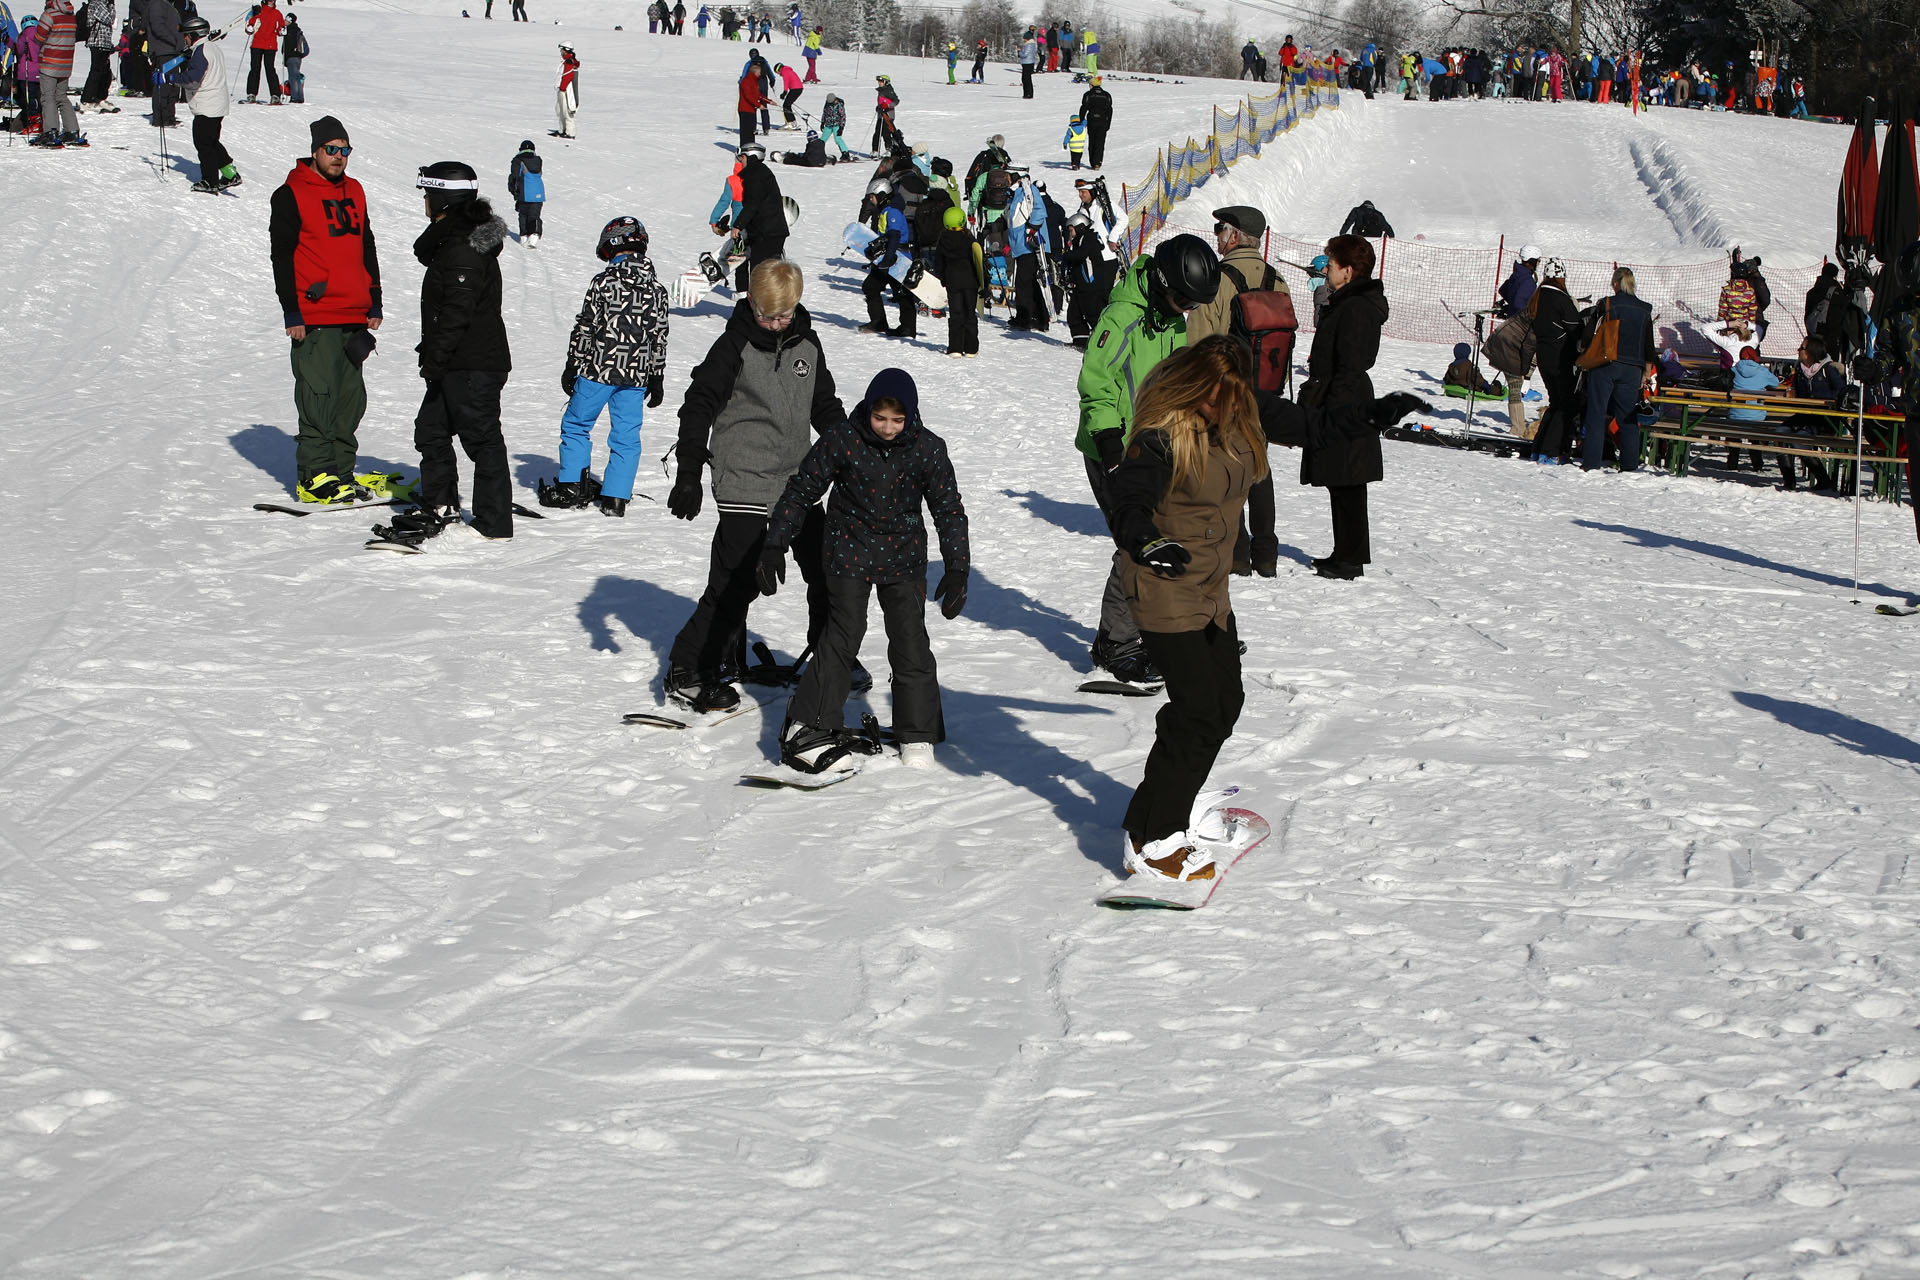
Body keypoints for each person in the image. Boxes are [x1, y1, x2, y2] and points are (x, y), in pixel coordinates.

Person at [1103, 336, 1421, 881]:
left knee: (1223, 702)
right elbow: (1129, 497)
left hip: (1209, 588)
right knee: (1198, 711)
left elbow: (1313, 426)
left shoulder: (1243, 408)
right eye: (1210, 397)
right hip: (1162, 584)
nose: (1220, 407)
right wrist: (1145, 540)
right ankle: (1157, 838)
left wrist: (1376, 413)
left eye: (1229, 397)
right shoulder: (1162, 434)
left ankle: (1152, 814)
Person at [759, 368, 969, 773]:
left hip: (903, 556)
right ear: (868, 410)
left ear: (910, 415)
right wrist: (774, 544)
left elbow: (948, 509)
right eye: (880, 418)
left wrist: (958, 567)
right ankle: (810, 722)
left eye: (897, 420)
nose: (888, 428)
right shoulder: (843, 439)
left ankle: (918, 732)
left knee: (910, 641)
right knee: (842, 634)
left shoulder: (928, 449)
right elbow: (802, 489)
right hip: (847, 551)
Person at [666, 260, 845, 710]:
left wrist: (850, 454)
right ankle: (690, 668)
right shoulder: (734, 345)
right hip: (744, 477)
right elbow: (699, 404)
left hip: (796, 482)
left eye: (783, 315)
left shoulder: (808, 344)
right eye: (767, 315)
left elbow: (824, 405)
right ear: (751, 303)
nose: (775, 323)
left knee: (825, 571)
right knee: (735, 582)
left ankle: (830, 656)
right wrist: (689, 469)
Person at [1076, 233, 1220, 685]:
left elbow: (1176, 378)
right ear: (1160, 283)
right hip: (1114, 446)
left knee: (1169, 533)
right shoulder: (1123, 317)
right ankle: (1116, 643)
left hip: (1157, 444)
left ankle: (1156, 628)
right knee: (1138, 541)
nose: (1185, 310)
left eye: (1191, 304)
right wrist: (1113, 450)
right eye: (1181, 299)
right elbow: (1095, 384)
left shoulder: (1170, 315)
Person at [372, 161, 514, 547]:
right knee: (431, 430)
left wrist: (436, 356)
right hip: (459, 360)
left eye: (426, 194)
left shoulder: (463, 246)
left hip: (470, 362)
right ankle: (441, 504)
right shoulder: (458, 240)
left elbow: (457, 309)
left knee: (481, 439)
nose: (424, 201)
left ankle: (493, 522)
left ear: (440, 198)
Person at [271, 116, 388, 505]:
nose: (339, 157)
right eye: (331, 150)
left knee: (349, 400)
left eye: (345, 150)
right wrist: (292, 311)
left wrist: (374, 298)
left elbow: (365, 244)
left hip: (353, 314)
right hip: (315, 316)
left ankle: (340, 471)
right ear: (316, 151)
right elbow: (282, 256)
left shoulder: (355, 191)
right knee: (318, 398)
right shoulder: (290, 193)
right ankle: (314, 476)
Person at [540, 216, 668, 518]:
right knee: (626, 434)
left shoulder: (604, 282)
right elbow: (659, 336)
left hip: (598, 370)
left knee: (576, 424)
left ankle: (572, 486)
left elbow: (587, 325)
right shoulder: (658, 290)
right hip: (635, 376)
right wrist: (657, 374)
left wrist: (573, 363)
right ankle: (616, 497)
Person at [1185, 204, 1287, 578]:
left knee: (1227, 466)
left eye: (1219, 229)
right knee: (1260, 467)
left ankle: (1237, 552)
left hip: (1226, 390)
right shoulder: (1277, 280)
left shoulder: (1219, 279)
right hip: (1265, 388)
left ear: (1234, 234)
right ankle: (1266, 553)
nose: (1217, 236)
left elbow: (1199, 340)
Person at [1299, 234, 1388, 579]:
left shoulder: (1356, 307)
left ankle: (1350, 560)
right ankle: (1345, 551)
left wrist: (1334, 409)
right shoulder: (1349, 302)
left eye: (1331, 266)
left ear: (1348, 271)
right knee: (1342, 480)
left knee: (1349, 480)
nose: (1327, 272)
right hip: (1342, 395)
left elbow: (1350, 362)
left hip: (1346, 400)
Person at [1578, 267, 1657, 472]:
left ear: (1615, 284)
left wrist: (1585, 350)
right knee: (1628, 418)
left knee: (1596, 413)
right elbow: (1649, 345)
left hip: (1606, 363)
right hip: (1633, 369)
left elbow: (1588, 335)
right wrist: (1646, 372)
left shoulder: (1607, 304)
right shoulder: (1645, 309)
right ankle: (1630, 465)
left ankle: (1591, 463)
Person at [1526, 259, 1582, 465]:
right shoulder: (1560, 298)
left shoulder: (1539, 297)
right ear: (1561, 277)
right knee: (1565, 405)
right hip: (1560, 358)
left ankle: (1538, 448)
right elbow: (1575, 327)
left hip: (1544, 356)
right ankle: (1550, 450)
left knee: (1555, 402)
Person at [178, 13, 237, 192]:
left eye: (186, 36)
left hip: (207, 105)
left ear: (194, 35)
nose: (185, 40)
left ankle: (210, 181)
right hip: (217, 103)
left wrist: (169, 78)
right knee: (211, 141)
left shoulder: (201, 51)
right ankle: (230, 174)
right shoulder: (211, 48)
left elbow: (193, 79)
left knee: (204, 144)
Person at [858, 179, 916, 339]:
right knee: (871, 287)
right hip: (887, 257)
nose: (871, 200)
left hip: (898, 258)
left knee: (902, 294)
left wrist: (889, 259)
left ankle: (907, 328)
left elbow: (895, 235)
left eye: (872, 196)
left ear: (881, 194)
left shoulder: (892, 211)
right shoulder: (885, 210)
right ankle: (879, 322)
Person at [31, 0, 80, 146]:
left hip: (49, 62)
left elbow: (38, 37)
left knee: (48, 97)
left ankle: (51, 132)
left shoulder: (49, 15)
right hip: (65, 63)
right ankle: (72, 130)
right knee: (61, 97)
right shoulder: (71, 16)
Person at [935, 205, 980, 358]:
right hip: (970, 282)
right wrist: (983, 282)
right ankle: (971, 349)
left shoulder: (942, 240)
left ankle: (955, 348)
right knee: (969, 314)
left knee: (956, 314)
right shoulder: (969, 239)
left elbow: (938, 262)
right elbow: (978, 261)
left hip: (952, 282)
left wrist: (943, 278)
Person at [242, 0, 281, 103]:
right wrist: (249, 28)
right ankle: (251, 93)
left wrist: (281, 31)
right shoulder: (257, 11)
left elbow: (280, 26)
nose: (271, 2)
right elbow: (250, 24)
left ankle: (275, 95)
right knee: (255, 68)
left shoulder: (277, 13)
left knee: (270, 69)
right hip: (257, 44)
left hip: (270, 45)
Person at [506, 139, 544, 244]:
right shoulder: (538, 161)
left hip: (523, 193)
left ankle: (524, 236)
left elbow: (514, 177)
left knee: (523, 214)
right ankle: (535, 233)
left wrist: (513, 191)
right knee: (534, 214)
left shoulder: (517, 161)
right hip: (538, 193)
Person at [79, 0, 114, 107]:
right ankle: (87, 98)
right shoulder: (97, 3)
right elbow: (109, 18)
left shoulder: (104, 4)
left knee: (105, 71)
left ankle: (100, 97)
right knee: (96, 71)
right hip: (97, 41)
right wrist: (112, 7)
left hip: (105, 42)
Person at [1079, 75, 1112, 169]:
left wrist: (1082, 120)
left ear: (1092, 85)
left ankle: (1093, 162)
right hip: (1103, 121)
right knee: (1100, 142)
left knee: (1092, 141)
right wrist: (1108, 123)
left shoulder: (1088, 94)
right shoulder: (1107, 95)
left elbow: (1083, 108)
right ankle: (1098, 162)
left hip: (1092, 120)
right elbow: (1109, 110)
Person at [279, 11, 305, 103]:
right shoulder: (297, 30)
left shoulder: (290, 31)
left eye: (286, 20)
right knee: (296, 77)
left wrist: (285, 56)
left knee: (293, 78)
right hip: (297, 57)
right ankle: (300, 97)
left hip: (292, 57)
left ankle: (295, 97)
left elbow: (287, 46)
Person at [554, 44, 578, 138]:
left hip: (565, 90)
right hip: (562, 89)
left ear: (566, 50)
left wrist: (562, 89)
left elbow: (568, 76)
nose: (561, 51)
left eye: (562, 50)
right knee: (560, 110)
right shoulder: (567, 61)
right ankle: (562, 130)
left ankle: (570, 132)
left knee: (566, 111)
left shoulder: (569, 62)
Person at [871, 72, 898, 152]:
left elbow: (896, 101)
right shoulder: (881, 91)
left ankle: (889, 149)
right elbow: (882, 102)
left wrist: (888, 106)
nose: (879, 83)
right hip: (881, 115)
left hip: (888, 115)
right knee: (877, 133)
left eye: (881, 82)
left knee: (886, 132)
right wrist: (879, 107)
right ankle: (875, 150)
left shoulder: (889, 91)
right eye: (879, 82)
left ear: (886, 82)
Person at [817, 92, 848, 159]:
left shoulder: (839, 105)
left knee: (838, 139)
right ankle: (818, 152)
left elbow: (843, 116)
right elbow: (824, 113)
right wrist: (822, 122)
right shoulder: (827, 103)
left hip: (837, 125)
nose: (830, 104)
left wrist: (841, 127)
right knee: (822, 140)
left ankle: (845, 153)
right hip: (828, 125)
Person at [773, 59, 801, 126]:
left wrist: (784, 92)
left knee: (786, 105)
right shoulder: (787, 70)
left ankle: (791, 123)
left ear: (779, 69)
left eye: (777, 72)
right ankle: (792, 122)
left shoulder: (785, 71)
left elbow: (786, 82)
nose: (779, 74)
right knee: (787, 105)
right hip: (797, 88)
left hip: (795, 89)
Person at [1018, 26, 1036, 98]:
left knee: (1026, 79)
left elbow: (1024, 54)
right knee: (1025, 78)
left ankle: (1028, 94)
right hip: (1027, 63)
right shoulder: (1029, 45)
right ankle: (1027, 93)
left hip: (1028, 63)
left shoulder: (1029, 45)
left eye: (1024, 38)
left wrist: (1019, 51)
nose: (1024, 40)